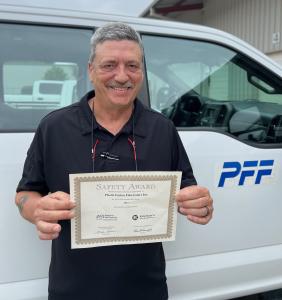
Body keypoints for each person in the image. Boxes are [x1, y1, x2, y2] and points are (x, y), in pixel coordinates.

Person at [15, 22, 213, 300]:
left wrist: (199, 205)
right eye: (110, 65)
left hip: (147, 288)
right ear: (91, 70)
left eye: (132, 65)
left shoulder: (162, 129)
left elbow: (186, 194)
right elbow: (25, 193)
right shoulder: (55, 127)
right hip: (72, 290)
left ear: (141, 72)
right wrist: (36, 209)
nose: (122, 76)